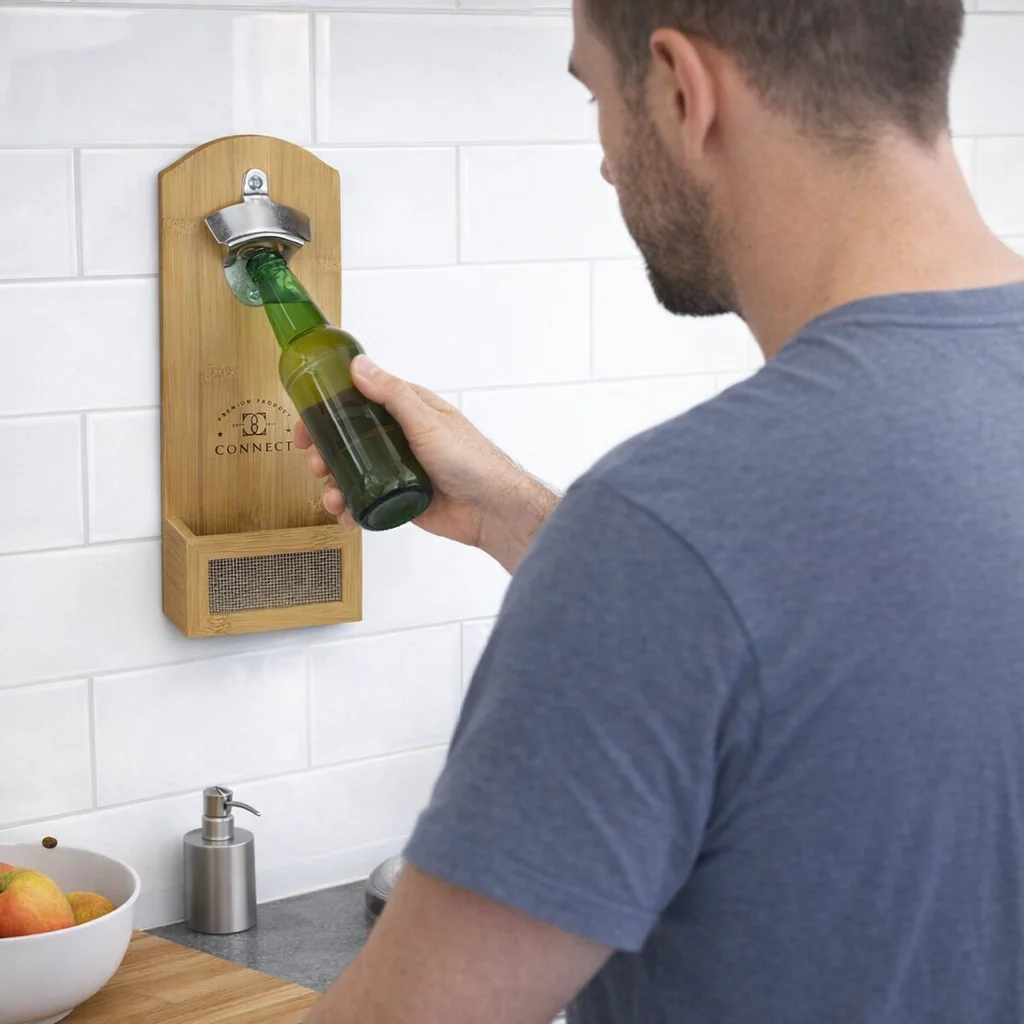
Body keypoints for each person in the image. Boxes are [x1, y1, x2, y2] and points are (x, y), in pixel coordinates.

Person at [296, 0, 1024, 1020]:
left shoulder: (665, 532)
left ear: (685, 89)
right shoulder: (680, 546)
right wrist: (526, 521)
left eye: (596, 92)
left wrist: (611, 556)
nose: (603, 160)